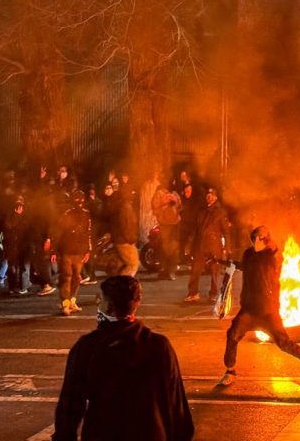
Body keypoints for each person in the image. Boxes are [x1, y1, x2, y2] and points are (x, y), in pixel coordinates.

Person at [53, 275, 194, 441]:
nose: (99, 304)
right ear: (136, 303)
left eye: (101, 300)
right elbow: (175, 401)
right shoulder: (159, 345)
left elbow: (70, 403)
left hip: (102, 433)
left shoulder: (89, 347)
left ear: (109, 306)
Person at [216, 226, 300, 386]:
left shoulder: (269, 257)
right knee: (233, 334)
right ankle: (230, 371)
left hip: (267, 311)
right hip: (249, 310)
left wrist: (269, 245)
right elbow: (244, 266)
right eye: (256, 236)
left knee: (285, 344)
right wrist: (220, 261)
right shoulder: (248, 254)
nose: (257, 240)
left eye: (261, 237)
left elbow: (266, 266)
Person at [185, 188, 231, 302]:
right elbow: (196, 229)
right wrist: (189, 244)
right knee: (195, 269)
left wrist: (227, 247)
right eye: (208, 194)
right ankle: (193, 293)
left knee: (215, 271)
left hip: (214, 245)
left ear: (216, 197)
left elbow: (226, 231)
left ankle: (213, 294)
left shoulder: (220, 212)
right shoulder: (202, 210)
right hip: (201, 244)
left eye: (211, 195)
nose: (209, 196)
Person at [51, 190, 92, 316]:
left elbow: (88, 233)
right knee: (66, 277)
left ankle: (72, 301)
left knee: (77, 277)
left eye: (81, 199)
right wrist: (54, 250)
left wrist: (88, 250)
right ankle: (65, 304)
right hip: (66, 251)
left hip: (79, 252)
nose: (79, 202)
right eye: (77, 199)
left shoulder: (86, 214)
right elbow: (58, 232)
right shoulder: (66, 214)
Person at [152, 184, 182, 280]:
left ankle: (171, 271)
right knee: (164, 248)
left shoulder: (175, 194)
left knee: (174, 248)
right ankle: (163, 270)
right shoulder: (159, 194)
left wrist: (175, 206)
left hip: (175, 224)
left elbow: (180, 206)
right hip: (164, 225)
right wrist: (165, 206)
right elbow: (155, 209)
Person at [112, 187, 140, 276]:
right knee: (133, 264)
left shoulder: (120, 205)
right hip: (124, 241)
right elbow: (127, 226)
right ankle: (124, 282)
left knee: (122, 265)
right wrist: (132, 239)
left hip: (119, 239)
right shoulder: (126, 208)